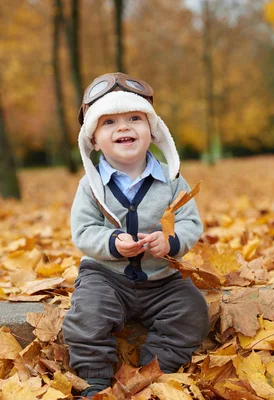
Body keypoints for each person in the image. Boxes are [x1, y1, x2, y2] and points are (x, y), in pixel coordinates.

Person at [62, 72, 210, 397]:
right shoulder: (91, 186)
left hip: (162, 278)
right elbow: (83, 231)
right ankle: (95, 381)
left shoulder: (172, 182)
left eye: (134, 118)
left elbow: (189, 223)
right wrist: (112, 243)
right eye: (109, 122)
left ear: (153, 130)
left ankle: (153, 370)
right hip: (105, 275)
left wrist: (170, 242)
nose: (124, 127)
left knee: (193, 311)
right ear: (94, 139)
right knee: (86, 317)